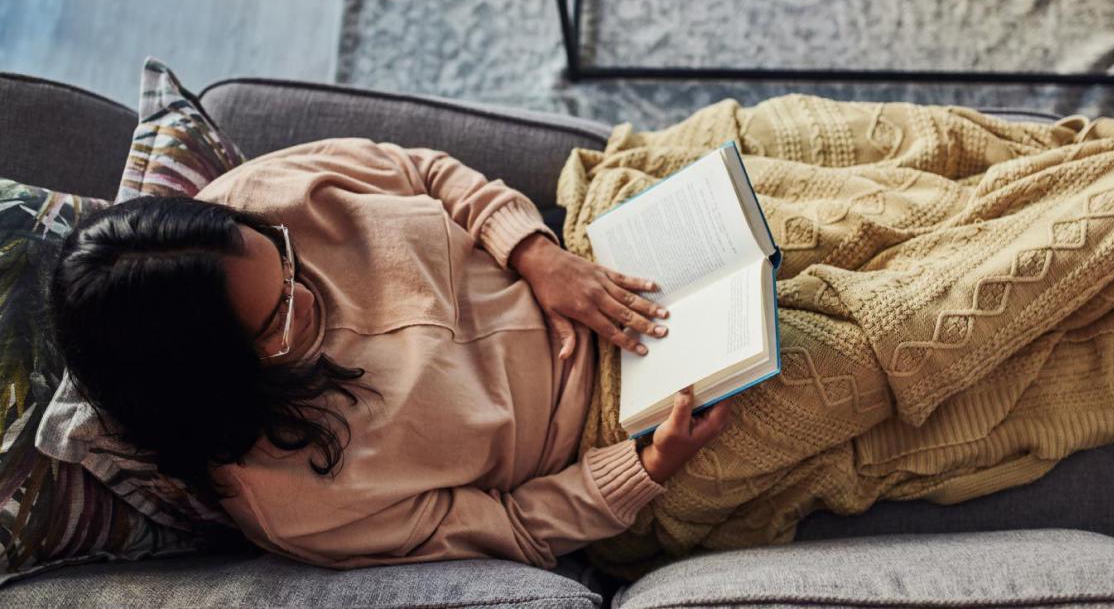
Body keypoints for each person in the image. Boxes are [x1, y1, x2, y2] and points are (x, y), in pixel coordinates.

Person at [48, 137, 732, 570]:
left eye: (286, 262)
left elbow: (423, 171)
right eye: (279, 318)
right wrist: (643, 467)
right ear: (215, 382)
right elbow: (510, 527)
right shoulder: (294, 503)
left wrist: (537, 253)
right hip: (612, 429)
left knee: (774, 159)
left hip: (587, 248)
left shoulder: (256, 198)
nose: (305, 297)